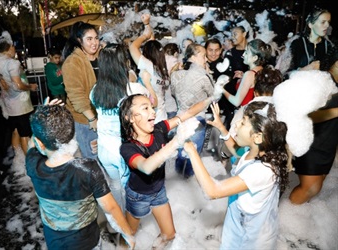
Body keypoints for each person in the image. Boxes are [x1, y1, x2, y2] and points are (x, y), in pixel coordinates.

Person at [25, 99, 135, 250]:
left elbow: (33, 144)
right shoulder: (87, 169)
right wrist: (128, 234)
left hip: (55, 243)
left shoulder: (33, 164)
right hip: (88, 243)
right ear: (72, 133)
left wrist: (43, 121)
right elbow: (111, 208)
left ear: (40, 143)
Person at [183, 101, 289, 249]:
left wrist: (192, 151)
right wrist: (221, 127)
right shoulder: (255, 152)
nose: (237, 123)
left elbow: (213, 191)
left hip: (251, 239)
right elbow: (235, 151)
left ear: (258, 138)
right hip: (238, 225)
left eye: (244, 122)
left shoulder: (263, 171)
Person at [119, 94, 213, 249]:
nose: (153, 112)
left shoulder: (159, 129)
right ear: (130, 118)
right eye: (145, 108)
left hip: (159, 191)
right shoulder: (128, 147)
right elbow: (146, 167)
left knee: (169, 235)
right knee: (130, 233)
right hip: (138, 197)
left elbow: (187, 114)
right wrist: (176, 141)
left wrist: (212, 97)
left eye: (151, 107)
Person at [90, 43, 150, 220]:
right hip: (124, 150)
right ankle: (130, 226)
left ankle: (117, 222)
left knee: (115, 186)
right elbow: (151, 102)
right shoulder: (132, 90)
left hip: (104, 149)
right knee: (129, 189)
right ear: (121, 63)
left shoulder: (95, 91)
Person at [289, 43, 338, 204]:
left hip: (327, 145)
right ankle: (284, 221)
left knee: (315, 187)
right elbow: (306, 115)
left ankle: (295, 221)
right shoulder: (321, 81)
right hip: (312, 144)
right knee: (310, 188)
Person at [0, 31, 38, 155]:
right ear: (9, 47)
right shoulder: (11, 63)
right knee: (25, 135)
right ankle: (29, 162)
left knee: (15, 131)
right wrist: (30, 86)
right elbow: (18, 85)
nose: (15, 50)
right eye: (14, 47)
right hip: (21, 106)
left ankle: (18, 159)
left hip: (9, 105)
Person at [170, 43, 214, 178]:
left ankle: (178, 184)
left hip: (180, 119)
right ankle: (186, 185)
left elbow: (173, 93)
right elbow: (213, 96)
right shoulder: (203, 76)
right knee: (192, 157)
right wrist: (209, 75)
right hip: (197, 121)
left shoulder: (175, 75)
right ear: (193, 57)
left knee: (180, 155)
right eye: (203, 56)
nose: (206, 59)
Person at [62, 21, 99, 159]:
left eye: (96, 38)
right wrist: (92, 118)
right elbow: (76, 95)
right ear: (79, 40)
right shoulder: (73, 62)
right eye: (89, 39)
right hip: (85, 120)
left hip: (103, 117)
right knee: (92, 160)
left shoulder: (101, 57)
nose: (94, 42)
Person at [129, 13, 169, 123]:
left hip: (151, 121)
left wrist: (144, 36)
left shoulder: (148, 65)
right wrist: (147, 24)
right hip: (162, 117)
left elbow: (132, 47)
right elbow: (153, 44)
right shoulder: (161, 68)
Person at [222, 39, 272, 108]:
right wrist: (243, 77)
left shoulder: (249, 74)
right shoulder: (261, 70)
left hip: (245, 113)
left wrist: (221, 90)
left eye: (246, 52)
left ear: (255, 58)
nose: (243, 54)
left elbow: (236, 102)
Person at [220, 25, 249, 130]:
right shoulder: (230, 53)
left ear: (244, 34)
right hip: (231, 97)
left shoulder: (251, 52)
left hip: (248, 97)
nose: (232, 37)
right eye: (231, 34)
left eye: (235, 34)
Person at [287, 9, 332, 75]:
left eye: (328, 22)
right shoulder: (297, 44)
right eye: (323, 22)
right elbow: (285, 74)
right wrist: (306, 69)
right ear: (310, 25)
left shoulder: (329, 46)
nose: (327, 25)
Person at [163, 42, 180, 119]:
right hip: (172, 102)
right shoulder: (175, 61)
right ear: (176, 53)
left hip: (162, 104)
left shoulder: (160, 61)